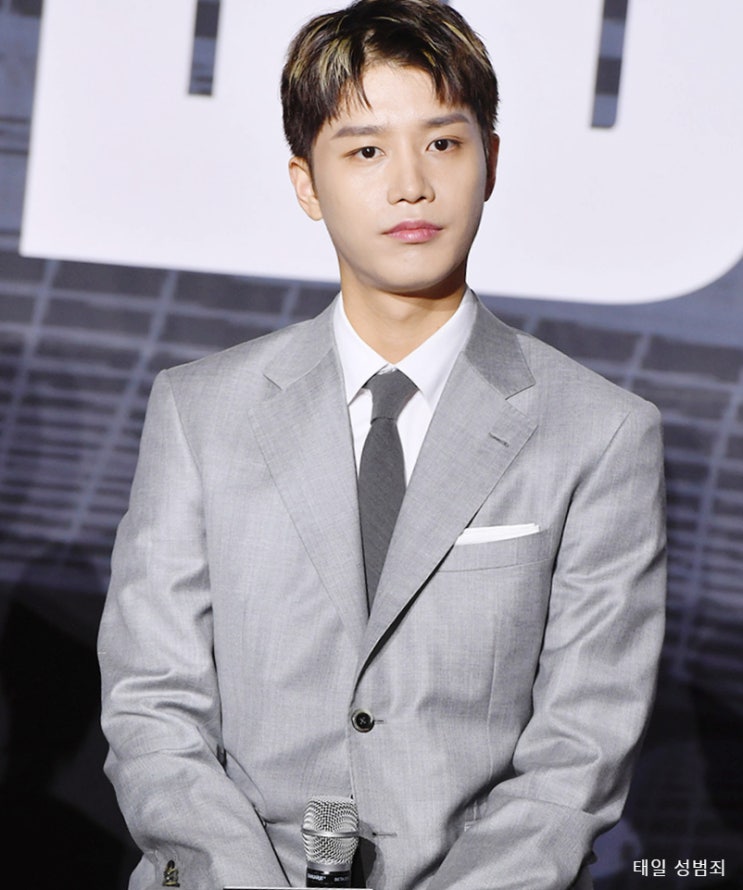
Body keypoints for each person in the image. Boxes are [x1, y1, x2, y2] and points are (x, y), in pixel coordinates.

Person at [97, 2, 666, 888]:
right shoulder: (199, 411)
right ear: (306, 184)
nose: (410, 185)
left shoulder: (599, 431)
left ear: (489, 161)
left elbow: (579, 750)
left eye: (442, 143)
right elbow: (152, 706)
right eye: (365, 151)